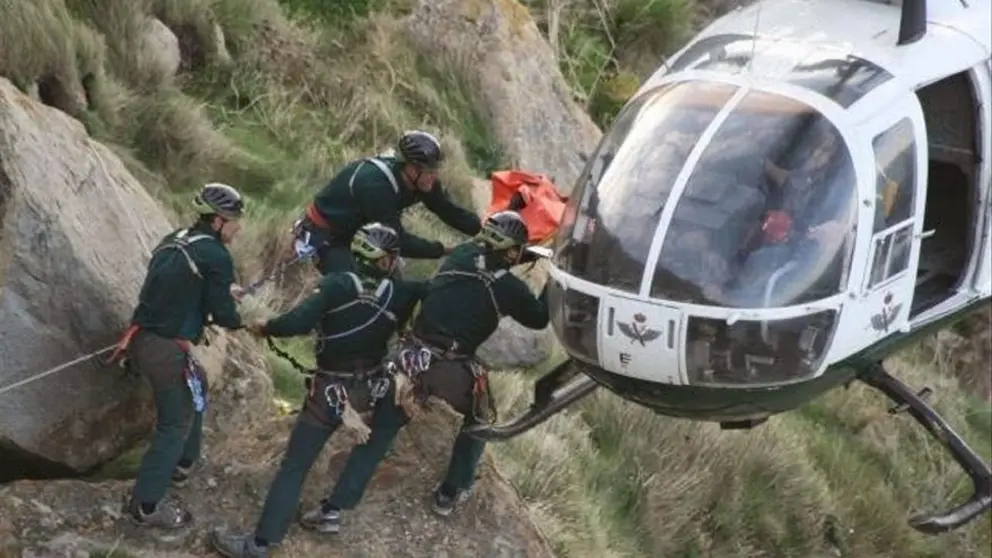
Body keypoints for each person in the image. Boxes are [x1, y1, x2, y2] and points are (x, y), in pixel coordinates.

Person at [281, 210, 549, 538]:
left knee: (379, 435)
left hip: (408, 359)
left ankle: (332, 510)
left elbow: (484, 263)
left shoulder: (464, 254)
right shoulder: (511, 288)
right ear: (511, 252)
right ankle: (450, 492)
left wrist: (516, 252)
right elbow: (538, 318)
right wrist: (555, 278)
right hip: (454, 368)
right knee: (481, 420)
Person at [209, 223, 428, 558]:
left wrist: (267, 327)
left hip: (330, 391)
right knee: (370, 448)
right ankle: (332, 512)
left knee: (296, 466)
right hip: (371, 388)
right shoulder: (402, 293)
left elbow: (296, 323)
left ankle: (261, 544)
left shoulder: (335, 285)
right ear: (387, 259)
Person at [113, 182, 247, 529]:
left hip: (142, 337)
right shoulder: (216, 255)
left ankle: (184, 462)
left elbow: (177, 285)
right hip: (166, 349)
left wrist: (220, 289)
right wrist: (242, 320)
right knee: (174, 424)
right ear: (217, 221)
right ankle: (147, 505)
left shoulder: (177, 237)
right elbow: (224, 314)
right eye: (234, 219)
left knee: (197, 386)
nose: (239, 226)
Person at [294, 130, 482, 274]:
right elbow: (396, 240)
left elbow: (445, 208)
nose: (434, 176)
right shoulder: (376, 186)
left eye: (435, 170)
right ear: (409, 168)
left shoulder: (421, 179)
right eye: (428, 170)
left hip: (357, 234)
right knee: (360, 286)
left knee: (389, 278)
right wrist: (445, 250)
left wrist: (482, 231)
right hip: (327, 237)